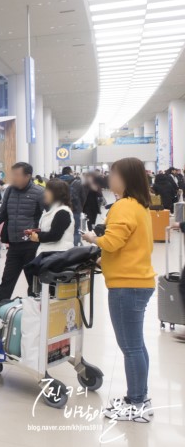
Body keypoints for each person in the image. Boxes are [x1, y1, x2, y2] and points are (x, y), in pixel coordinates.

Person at [83, 158, 155, 422]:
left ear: (124, 178)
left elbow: (112, 242)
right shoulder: (140, 205)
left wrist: (93, 238)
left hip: (127, 285)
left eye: (112, 175)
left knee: (131, 347)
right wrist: (106, 258)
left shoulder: (123, 205)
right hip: (138, 281)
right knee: (136, 345)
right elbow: (132, 245)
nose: (108, 179)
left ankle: (137, 404)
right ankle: (139, 396)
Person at [0, 162, 44, 300]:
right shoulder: (10, 191)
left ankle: (34, 312)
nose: (13, 178)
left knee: (33, 282)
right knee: (7, 281)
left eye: (17, 175)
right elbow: (2, 212)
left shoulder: (39, 193)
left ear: (28, 176)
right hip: (14, 244)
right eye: (13, 175)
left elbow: (45, 218)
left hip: (31, 246)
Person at [29, 179, 75, 255]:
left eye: (47, 191)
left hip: (57, 256)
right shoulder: (52, 210)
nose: (44, 194)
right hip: (50, 254)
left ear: (57, 193)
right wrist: (34, 232)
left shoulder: (63, 212)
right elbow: (47, 230)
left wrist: (38, 237)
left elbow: (55, 235)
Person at [59, 166, 84, 246]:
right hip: (75, 209)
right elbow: (82, 196)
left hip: (60, 209)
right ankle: (75, 247)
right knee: (76, 230)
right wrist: (81, 207)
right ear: (70, 172)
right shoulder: (77, 182)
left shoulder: (56, 182)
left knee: (60, 229)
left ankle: (62, 247)